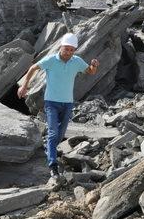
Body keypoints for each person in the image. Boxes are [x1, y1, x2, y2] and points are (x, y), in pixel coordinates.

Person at [17, 33, 99, 179]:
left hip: (68, 103)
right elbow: (33, 68)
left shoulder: (77, 61)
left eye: (71, 50)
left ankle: (50, 150)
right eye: (66, 49)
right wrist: (24, 86)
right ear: (61, 47)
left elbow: (90, 72)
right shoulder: (51, 60)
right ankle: (53, 165)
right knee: (53, 133)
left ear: (74, 50)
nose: (68, 52)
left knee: (60, 135)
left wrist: (93, 66)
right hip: (51, 102)